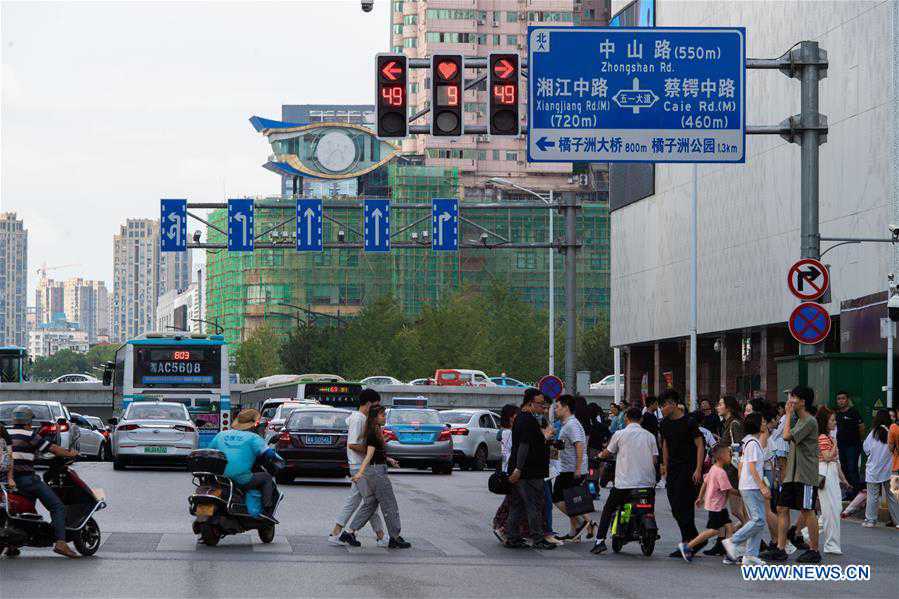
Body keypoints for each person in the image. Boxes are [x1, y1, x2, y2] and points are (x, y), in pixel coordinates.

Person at [6, 405, 81, 558]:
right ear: (28, 421)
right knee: (57, 506)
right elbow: (52, 448)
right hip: (26, 480)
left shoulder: (6, 433)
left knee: (23, 512)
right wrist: (70, 453)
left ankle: (12, 545)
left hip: (7, 481)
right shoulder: (29, 435)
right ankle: (61, 543)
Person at [761, 386, 821, 564]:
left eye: (794, 397)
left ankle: (814, 550)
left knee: (807, 510)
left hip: (806, 474)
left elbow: (786, 436)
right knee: (781, 508)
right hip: (792, 474)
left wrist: (786, 415)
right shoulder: (799, 420)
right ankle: (780, 548)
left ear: (803, 401)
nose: (790, 400)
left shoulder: (809, 422)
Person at [590, 407, 659, 555]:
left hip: (624, 484)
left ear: (626, 418)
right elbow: (654, 460)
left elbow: (607, 452)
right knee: (649, 507)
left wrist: (599, 456)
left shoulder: (619, 434)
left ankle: (600, 541)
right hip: (648, 483)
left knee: (608, 508)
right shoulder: (650, 436)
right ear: (641, 419)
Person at [343, 406, 409, 548]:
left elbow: (376, 453)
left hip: (375, 469)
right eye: (382, 415)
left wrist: (389, 459)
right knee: (389, 504)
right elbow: (369, 455)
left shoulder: (375, 431)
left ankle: (350, 532)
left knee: (371, 503)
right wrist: (359, 473)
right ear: (375, 417)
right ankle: (395, 537)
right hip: (377, 472)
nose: (384, 417)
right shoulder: (373, 432)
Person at [329, 389, 387, 547]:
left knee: (359, 501)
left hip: (360, 465)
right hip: (358, 465)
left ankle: (336, 533)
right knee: (370, 502)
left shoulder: (361, 418)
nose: (377, 409)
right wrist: (373, 450)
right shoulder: (358, 419)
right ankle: (379, 537)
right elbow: (353, 444)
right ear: (368, 404)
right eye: (376, 405)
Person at [505, 388, 556, 550]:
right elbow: (524, 446)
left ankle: (512, 536)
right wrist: (519, 468)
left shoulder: (522, 418)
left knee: (518, 504)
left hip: (524, 470)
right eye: (540, 404)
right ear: (529, 403)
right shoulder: (527, 421)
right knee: (534, 504)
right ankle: (538, 538)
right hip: (529, 471)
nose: (542, 407)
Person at [207, 409, 279, 521]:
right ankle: (266, 511)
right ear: (253, 424)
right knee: (266, 478)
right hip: (241, 478)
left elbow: (209, 451)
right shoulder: (253, 438)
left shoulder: (221, 435)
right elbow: (269, 454)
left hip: (219, 477)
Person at [658, 390, 704, 557]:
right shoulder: (664, 424)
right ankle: (694, 540)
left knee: (685, 506)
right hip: (673, 469)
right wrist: (664, 464)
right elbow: (665, 445)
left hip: (689, 469)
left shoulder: (689, 422)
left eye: (663, 405)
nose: (661, 409)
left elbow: (700, 445)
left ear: (672, 404)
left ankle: (689, 542)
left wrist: (698, 469)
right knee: (675, 507)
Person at [721, 413, 770, 565]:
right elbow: (752, 467)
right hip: (752, 487)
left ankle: (750, 555)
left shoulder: (749, 442)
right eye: (762, 422)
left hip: (748, 486)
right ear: (755, 424)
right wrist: (763, 487)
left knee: (758, 520)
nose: (764, 424)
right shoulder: (753, 444)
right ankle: (733, 541)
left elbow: (743, 465)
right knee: (758, 519)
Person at [677, 444, 737, 563]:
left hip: (717, 505)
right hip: (717, 506)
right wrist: (740, 492)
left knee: (729, 526)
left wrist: (700, 497)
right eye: (728, 453)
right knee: (714, 530)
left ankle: (731, 554)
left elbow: (705, 482)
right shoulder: (721, 472)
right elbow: (727, 490)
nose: (730, 455)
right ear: (720, 456)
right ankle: (687, 546)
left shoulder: (713, 468)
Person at [551, 395, 592, 541]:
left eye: (558, 407)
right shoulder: (567, 424)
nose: (556, 410)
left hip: (571, 468)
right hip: (567, 467)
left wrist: (578, 468)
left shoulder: (571, 425)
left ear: (566, 407)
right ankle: (575, 531)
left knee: (557, 498)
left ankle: (582, 522)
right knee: (572, 499)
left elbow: (579, 445)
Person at [862, 409, 899, 528]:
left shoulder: (873, 433)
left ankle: (871, 520)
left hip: (874, 470)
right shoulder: (891, 431)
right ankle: (897, 521)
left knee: (872, 495)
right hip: (890, 470)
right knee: (892, 496)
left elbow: (866, 448)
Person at [815, 406, 845, 552]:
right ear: (825, 421)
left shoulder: (828, 437)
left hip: (830, 472)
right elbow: (827, 457)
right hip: (826, 472)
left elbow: (834, 460)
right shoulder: (822, 437)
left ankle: (808, 533)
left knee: (835, 508)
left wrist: (843, 479)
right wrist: (836, 444)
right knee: (830, 509)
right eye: (832, 420)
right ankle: (830, 544)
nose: (835, 423)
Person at [492, 403, 520, 542]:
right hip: (511, 470)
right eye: (516, 415)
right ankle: (503, 528)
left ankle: (501, 526)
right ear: (510, 418)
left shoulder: (502, 432)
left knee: (510, 502)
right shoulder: (509, 433)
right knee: (513, 502)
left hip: (505, 469)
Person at [834, 391, 864, 497]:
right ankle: (848, 492)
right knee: (844, 468)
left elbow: (861, 428)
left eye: (843, 398)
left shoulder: (854, 412)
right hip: (841, 446)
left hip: (853, 445)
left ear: (847, 399)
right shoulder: (837, 414)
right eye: (839, 399)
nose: (841, 401)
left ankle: (857, 493)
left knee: (852, 468)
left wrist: (860, 441)